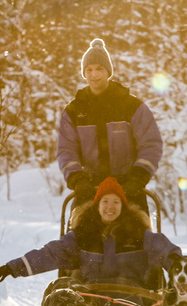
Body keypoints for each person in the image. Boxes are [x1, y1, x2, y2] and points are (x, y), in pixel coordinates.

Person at [0, 177, 180, 289]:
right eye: (105, 201)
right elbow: (51, 254)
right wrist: (13, 267)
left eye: (116, 202)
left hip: (132, 300)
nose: (110, 207)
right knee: (58, 293)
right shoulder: (82, 234)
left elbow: (166, 251)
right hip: (90, 300)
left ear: (123, 206)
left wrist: (185, 269)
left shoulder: (139, 232)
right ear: (98, 205)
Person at [57, 38, 163, 213]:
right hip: (89, 189)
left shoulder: (130, 106)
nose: (94, 74)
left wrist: (138, 177)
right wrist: (77, 179)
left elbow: (151, 143)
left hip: (129, 187)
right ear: (84, 73)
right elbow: (65, 150)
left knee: (136, 237)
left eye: (99, 68)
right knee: (81, 238)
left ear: (108, 71)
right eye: (89, 70)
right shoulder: (74, 110)